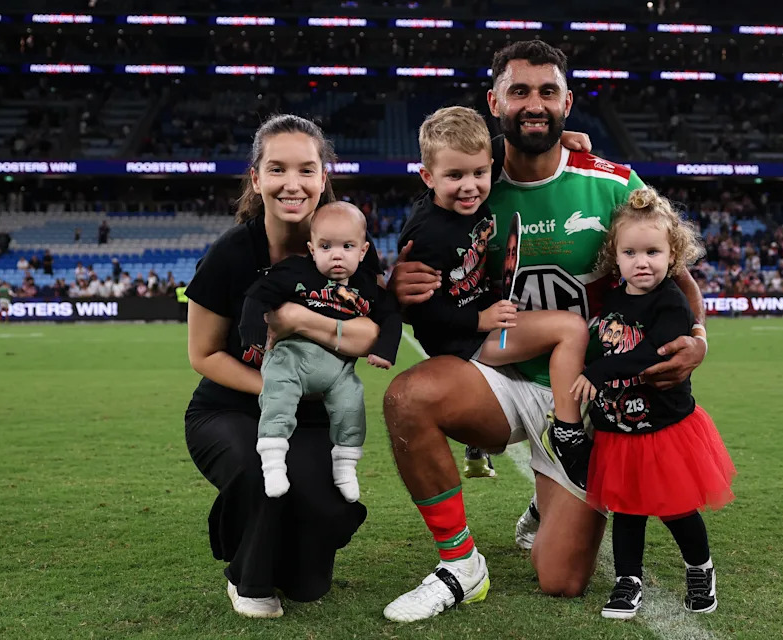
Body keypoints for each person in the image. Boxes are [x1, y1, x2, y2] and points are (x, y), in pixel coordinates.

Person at [383, 40, 708, 622]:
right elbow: (426, 270)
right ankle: (460, 562)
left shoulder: (612, 184)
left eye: (548, 91)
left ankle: (545, 501)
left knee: (561, 580)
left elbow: (678, 276)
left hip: (587, 394)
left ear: (567, 102)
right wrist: (400, 285)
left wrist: (699, 338)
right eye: (519, 91)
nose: (535, 104)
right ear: (495, 103)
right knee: (409, 397)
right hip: (502, 373)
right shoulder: (473, 180)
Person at [184, 114, 379, 619]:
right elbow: (203, 355)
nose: (292, 184)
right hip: (228, 409)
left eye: (306, 170)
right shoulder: (230, 254)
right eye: (277, 169)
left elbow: (369, 335)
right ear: (256, 179)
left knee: (309, 580)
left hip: (312, 416)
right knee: (261, 470)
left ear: (323, 177)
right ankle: (245, 579)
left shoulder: (347, 249)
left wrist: (300, 320)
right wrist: (278, 390)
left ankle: (276, 540)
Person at [398, 105, 591, 490]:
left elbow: (503, 146)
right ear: (427, 177)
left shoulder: (478, 165)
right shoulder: (427, 235)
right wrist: (478, 320)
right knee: (571, 329)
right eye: (454, 176)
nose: (470, 186)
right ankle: (567, 434)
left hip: (477, 316)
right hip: (461, 337)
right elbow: (421, 313)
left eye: (478, 173)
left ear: (490, 165)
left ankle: (477, 440)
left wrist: (559, 142)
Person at [569, 186, 735, 619]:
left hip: (663, 427)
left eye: (653, 252)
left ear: (672, 255)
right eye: (630, 252)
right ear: (615, 256)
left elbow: (650, 354)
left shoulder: (671, 302)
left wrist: (597, 372)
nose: (641, 262)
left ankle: (700, 569)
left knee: (677, 508)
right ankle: (628, 581)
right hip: (617, 428)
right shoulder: (611, 298)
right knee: (627, 511)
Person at [239, 201, 401, 503]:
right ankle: (272, 462)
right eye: (326, 246)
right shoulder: (295, 271)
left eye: (347, 246)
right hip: (290, 358)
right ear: (312, 249)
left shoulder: (367, 286)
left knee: (352, 405)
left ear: (363, 251)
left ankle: (346, 466)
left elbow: (391, 316)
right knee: (277, 396)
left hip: (339, 369)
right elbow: (258, 294)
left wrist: (385, 350)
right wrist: (252, 332)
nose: (336, 255)